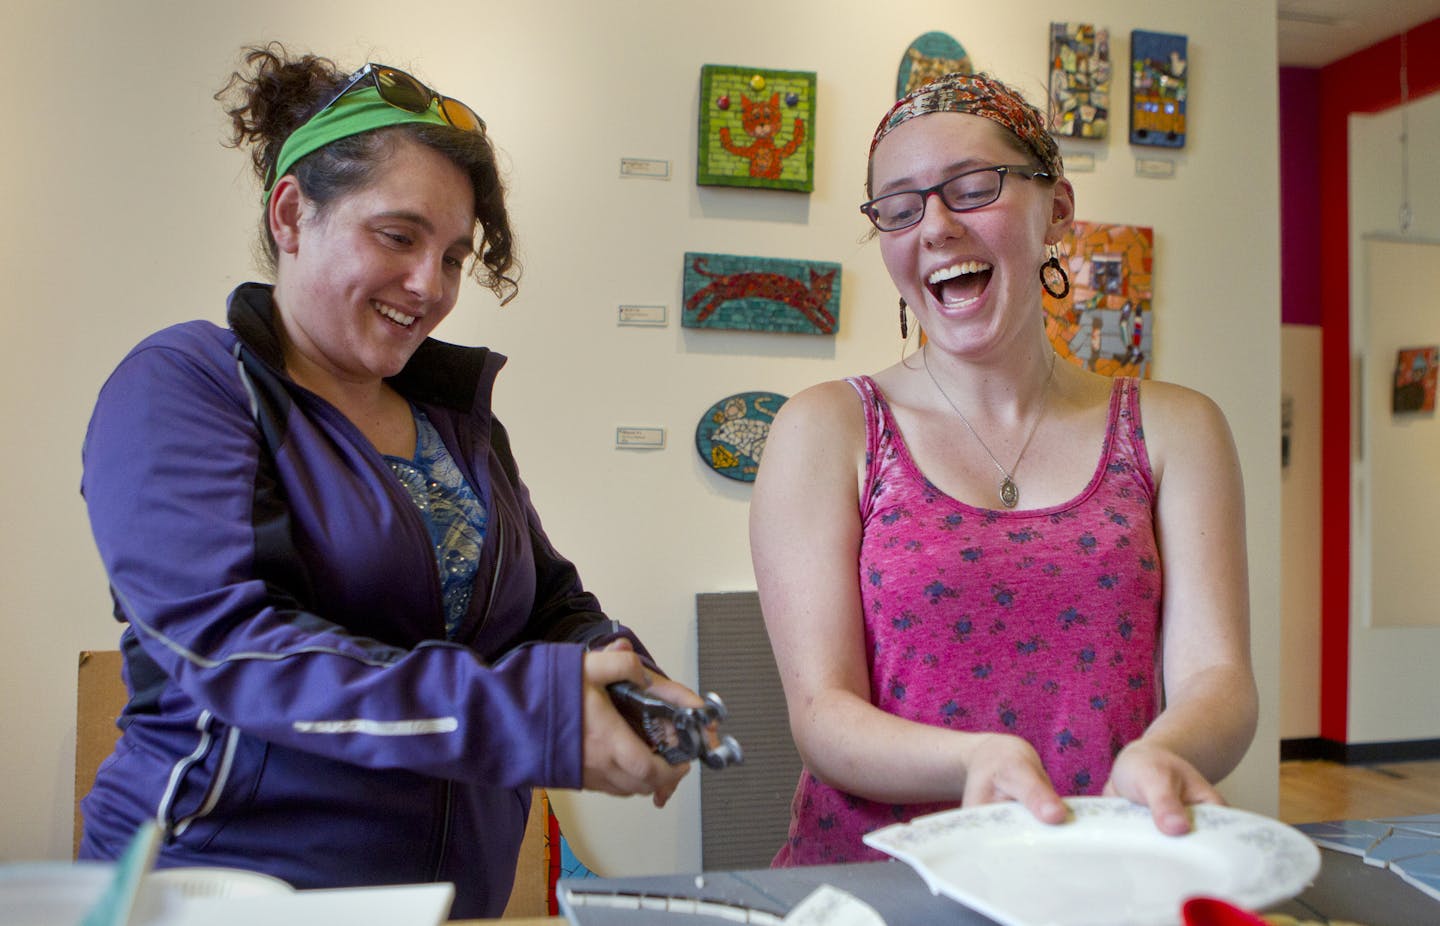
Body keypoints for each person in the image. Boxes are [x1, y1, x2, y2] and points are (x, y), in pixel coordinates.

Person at [78, 43, 696, 918]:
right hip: (222, 893)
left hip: (440, 902)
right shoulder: (189, 385)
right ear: (291, 214)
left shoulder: (454, 420)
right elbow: (239, 648)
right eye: (399, 237)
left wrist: (626, 680)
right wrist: (531, 717)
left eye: (452, 256)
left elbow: (547, 604)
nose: (429, 286)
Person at [749, 72, 1258, 866]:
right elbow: (822, 714)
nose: (935, 226)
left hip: (1100, 871)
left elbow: (1218, 678)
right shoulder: (828, 428)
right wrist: (973, 759)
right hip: (882, 883)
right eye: (899, 207)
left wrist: (1166, 753)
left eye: (973, 187)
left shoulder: (1173, 428)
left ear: (1057, 210)